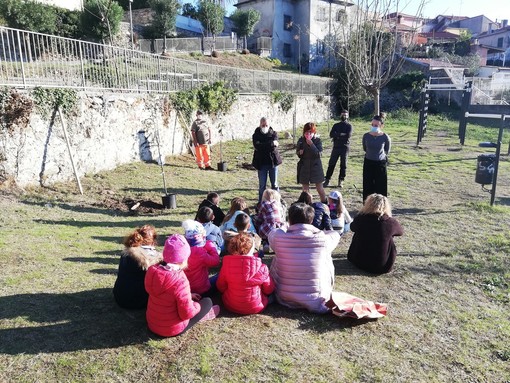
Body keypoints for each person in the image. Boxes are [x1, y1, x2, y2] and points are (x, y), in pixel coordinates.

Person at [268, 203, 340, 313]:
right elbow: (335, 234)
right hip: (317, 299)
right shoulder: (323, 239)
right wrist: (317, 229)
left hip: (283, 295)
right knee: (326, 255)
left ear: (290, 220)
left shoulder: (278, 237)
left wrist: (285, 226)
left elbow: (272, 232)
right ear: (311, 220)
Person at [144, 234, 220, 337]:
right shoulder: (180, 281)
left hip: (153, 324)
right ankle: (202, 316)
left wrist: (188, 295)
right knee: (207, 302)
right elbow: (186, 313)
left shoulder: (153, 271)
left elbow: (169, 294)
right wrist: (196, 306)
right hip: (171, 329)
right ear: (183, 258)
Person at [217, 233, 275, 315]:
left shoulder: (226, 265)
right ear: (252, 249)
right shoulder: (262, 268)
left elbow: (221, 286)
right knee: (272, 296)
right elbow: (269, 289)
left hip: (231, 304)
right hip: (255, 306)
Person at [347, 193, 403, 274]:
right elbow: (400, 232)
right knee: (389, 237)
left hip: (357, 260)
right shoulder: (390, 222)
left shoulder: (361, 218)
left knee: (359, 232)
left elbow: (352, 227)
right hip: (381, 266)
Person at [113, 225, 163, 309]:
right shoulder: (152, 259)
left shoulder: (127, 251)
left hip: (119, 296)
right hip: (138, 301)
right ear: (153, 240)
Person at [182, 219, 220, 295]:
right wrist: (210, 245)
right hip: (201, 290)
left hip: (184, 288)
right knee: (219, 276)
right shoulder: (199, 252)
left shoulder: (181, 250)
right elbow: (215, 261)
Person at [252, 117, 283, 204]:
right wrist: (271, 144)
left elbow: (272, 148)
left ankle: (277, 203)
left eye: (266, 125)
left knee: (275, 185)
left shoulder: (274, 134)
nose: (265, 126)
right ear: (260, 125)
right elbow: (257, 146)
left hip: (273, 163)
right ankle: (261, 204)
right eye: (263, 125)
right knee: (262, 186)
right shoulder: (256, 135)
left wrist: (263, 146)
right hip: (261, 163)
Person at [362, 115, 391, 202]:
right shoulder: (366, 136)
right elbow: (365, 148)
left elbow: (387, 150)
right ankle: (367, 205)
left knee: (381, 186)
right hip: (368, 162)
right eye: (372, 124)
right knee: (368, 185)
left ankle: (381, 205)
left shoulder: (385, 137)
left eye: (376, 125)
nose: (374, 127)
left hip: (380, 163)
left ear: (381, 126)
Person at [296, 122, 327, 203]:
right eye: (306, 132)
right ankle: (307, 206)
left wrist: (312, 145)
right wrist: (300, 152)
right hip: (304, 167)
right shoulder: (301, 140)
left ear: (314, 132)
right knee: (305, 191)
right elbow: (298, 152)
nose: (308, 134)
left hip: (316, 166)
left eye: (310, 132)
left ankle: (325, 204)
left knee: (319, 189)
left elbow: (319, 154)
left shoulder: (317, 141)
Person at [324, 110, 352, 189]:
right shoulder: (336, 125)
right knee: (331, 163)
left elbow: (348, 135)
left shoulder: (349, 126)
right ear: (340, 115)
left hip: (345, 147)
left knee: (343, 165)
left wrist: (337, 135)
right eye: (343, 115)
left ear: (348, 116)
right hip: (336, 147)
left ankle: (341, 180)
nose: (344, 116)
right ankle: (327, 179)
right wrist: (341, 134)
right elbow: (331, 134)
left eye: (345, 115)